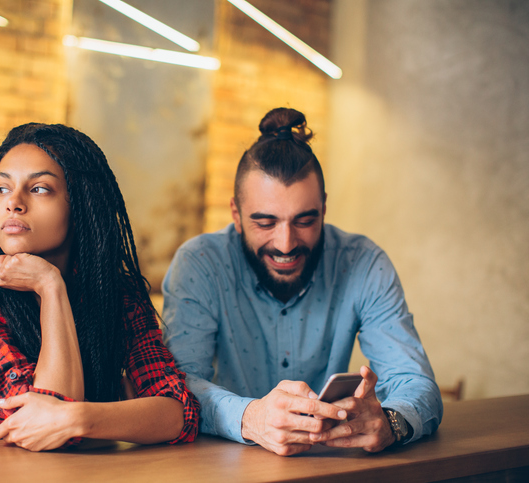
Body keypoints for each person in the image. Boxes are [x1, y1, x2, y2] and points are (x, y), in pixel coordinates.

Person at [162, 107, 442, 456]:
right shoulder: (200, 263)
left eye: (305, 221)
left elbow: (416, 383)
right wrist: (251, 418)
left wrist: (390, 421)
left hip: (329, 470)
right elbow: (177, 385)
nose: (285, 244)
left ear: (323, 209)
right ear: (236, 214)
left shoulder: (364, 262)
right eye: (265, 223)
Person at [0, 123, 199, 451]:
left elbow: (178, 414)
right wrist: (50, 287)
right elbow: (42, 422)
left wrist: (79, 419)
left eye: (39, 189)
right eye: (2, 188)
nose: (13, 203)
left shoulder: (119, 296)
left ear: (80, 206)